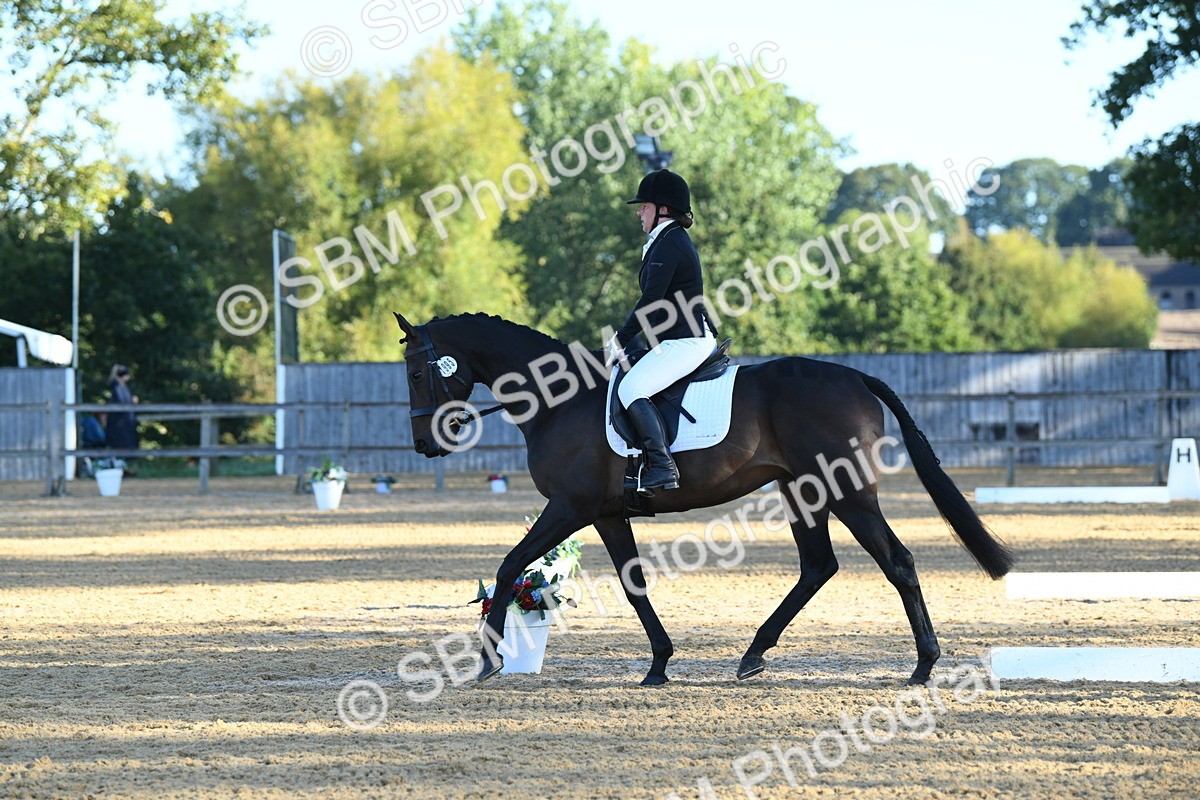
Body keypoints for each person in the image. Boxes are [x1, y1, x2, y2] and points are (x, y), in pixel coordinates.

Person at [610, 168, 717, 495]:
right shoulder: (665, 241)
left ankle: (663, 467)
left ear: (664, 210)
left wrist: (620, 339)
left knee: (630, 390)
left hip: (686, 341)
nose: (639, 211)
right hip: (673, 340)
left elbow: (651, 301)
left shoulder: (670, 243)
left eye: (644, 206)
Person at [105, 364, 139, 471]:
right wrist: (131, 401)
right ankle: (121, 468)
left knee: (125, 446)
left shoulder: (121, 386)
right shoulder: (117, 387)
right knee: (122, 446)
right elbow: (121, 404)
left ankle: (124, 468)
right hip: (120, 423)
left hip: (124, 422)